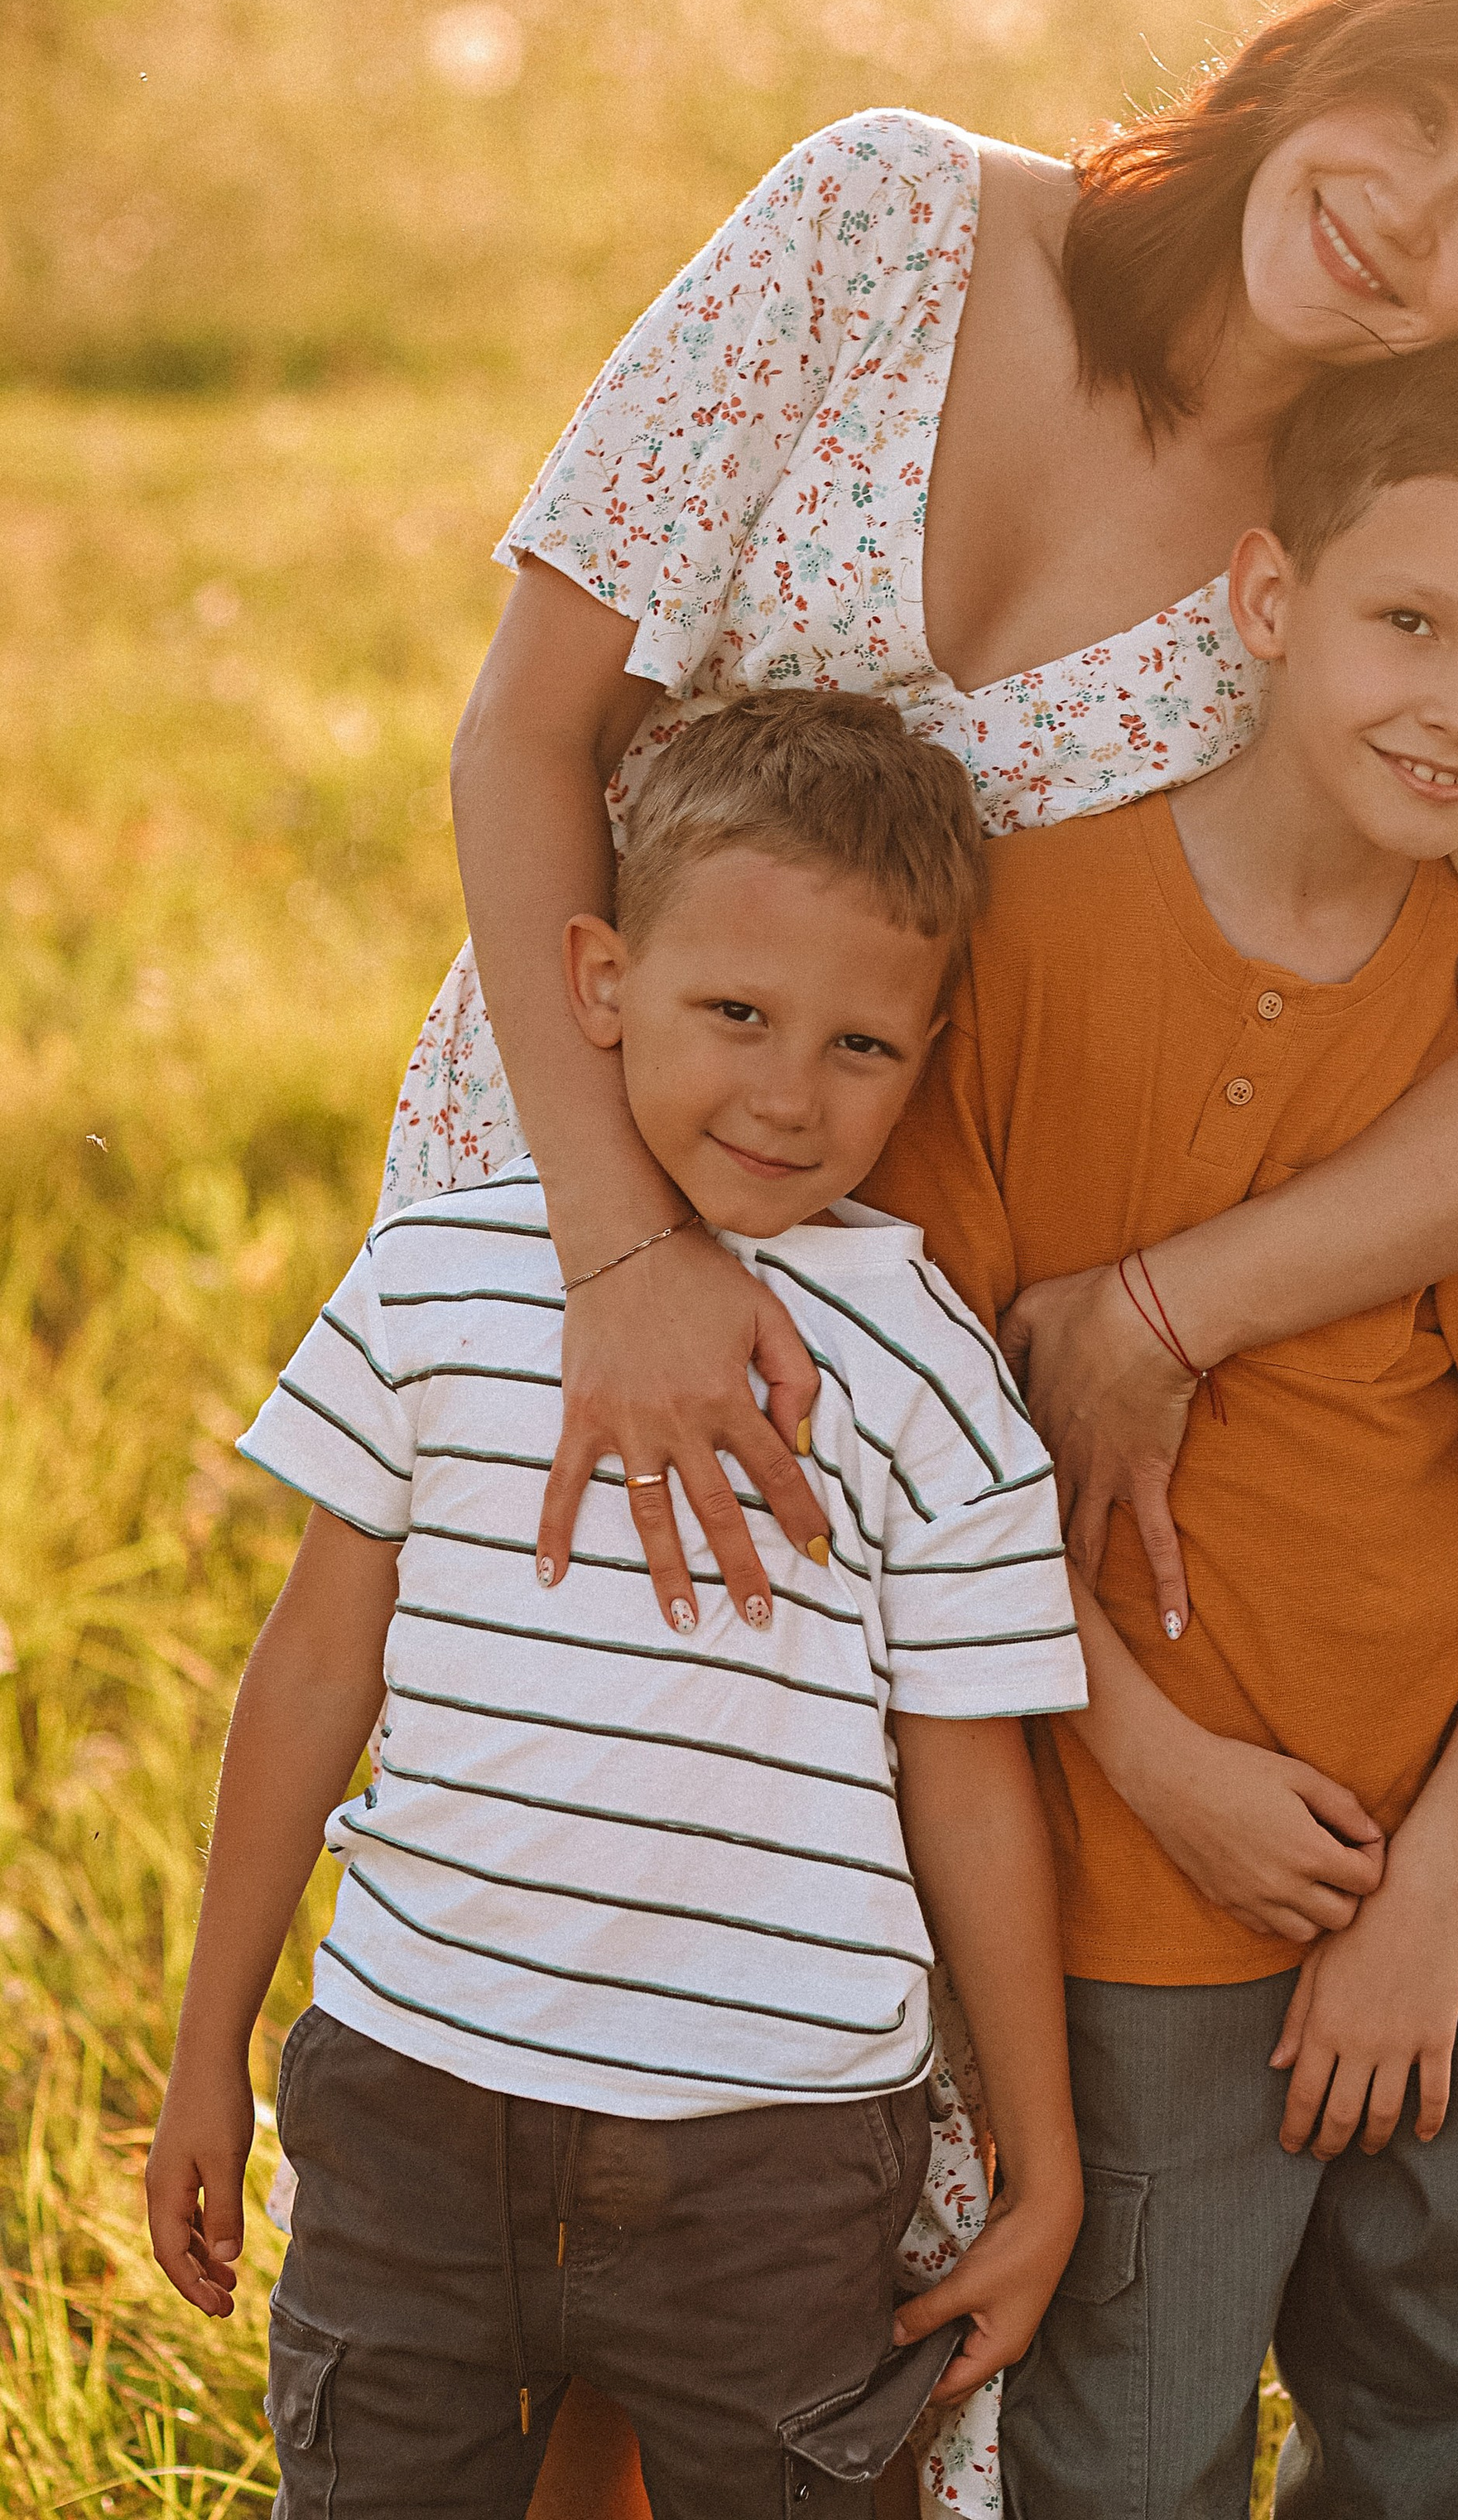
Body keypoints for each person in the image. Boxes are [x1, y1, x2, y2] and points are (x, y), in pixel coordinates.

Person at [406, 0, 1458, 2513]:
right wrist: (618, 1257)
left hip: (922, 1406)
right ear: (1339, 42)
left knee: (780, 2150)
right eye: (1428, 110)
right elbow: (526, 736)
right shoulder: (884, 218)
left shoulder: (1362, 552)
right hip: (570, 1216)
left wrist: (1162, 1305)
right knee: (544, 2041)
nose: (1411, 209)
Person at [862, 330, 1458, 2518]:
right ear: (1265, 600)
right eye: (1407, 619)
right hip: (1133, 1877)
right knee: (1127, 2441)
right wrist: (1150, 1759)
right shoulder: (1027, 938)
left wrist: (1430, 1888)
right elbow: (928, 1458)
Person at [142, 696, 1087, 2520]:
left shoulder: (923, 1363)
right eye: (734, 1012)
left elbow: (973, 1785)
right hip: (416, 2101)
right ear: (598, 978)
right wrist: (207, 2051)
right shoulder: (438, 1276)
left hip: (774, 2154)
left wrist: (1040, 2165)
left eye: (860, 1043)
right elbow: (314, 1670)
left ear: (927, 1051)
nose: (789, 1092)